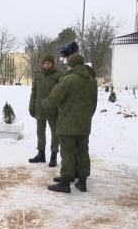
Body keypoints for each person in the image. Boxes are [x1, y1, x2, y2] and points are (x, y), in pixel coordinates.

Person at [42, 54, 98, 193]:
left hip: (67, 123)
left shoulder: (68, 79)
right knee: (83, 152)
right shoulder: (91, 80)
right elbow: (94, 103)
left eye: (68, 64)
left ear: (72, 65)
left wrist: (44, 103)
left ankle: (65, 182)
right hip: (84, 124)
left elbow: (54, 98)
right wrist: (87, 117)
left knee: (67, 153)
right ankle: (82, 182)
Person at [28, 55, 62, 167]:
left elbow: (61, 94)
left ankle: (53, 156)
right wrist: (31, 106)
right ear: (42, 64)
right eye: (45, 62)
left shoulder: (58, 75)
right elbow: (34, 92)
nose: (47, 64)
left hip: (53, 109)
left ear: (53, 64)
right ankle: (41, 154)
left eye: (49, 63)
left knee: (55, 133)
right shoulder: (38, 75)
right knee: (40, 132)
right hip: (39, 108)